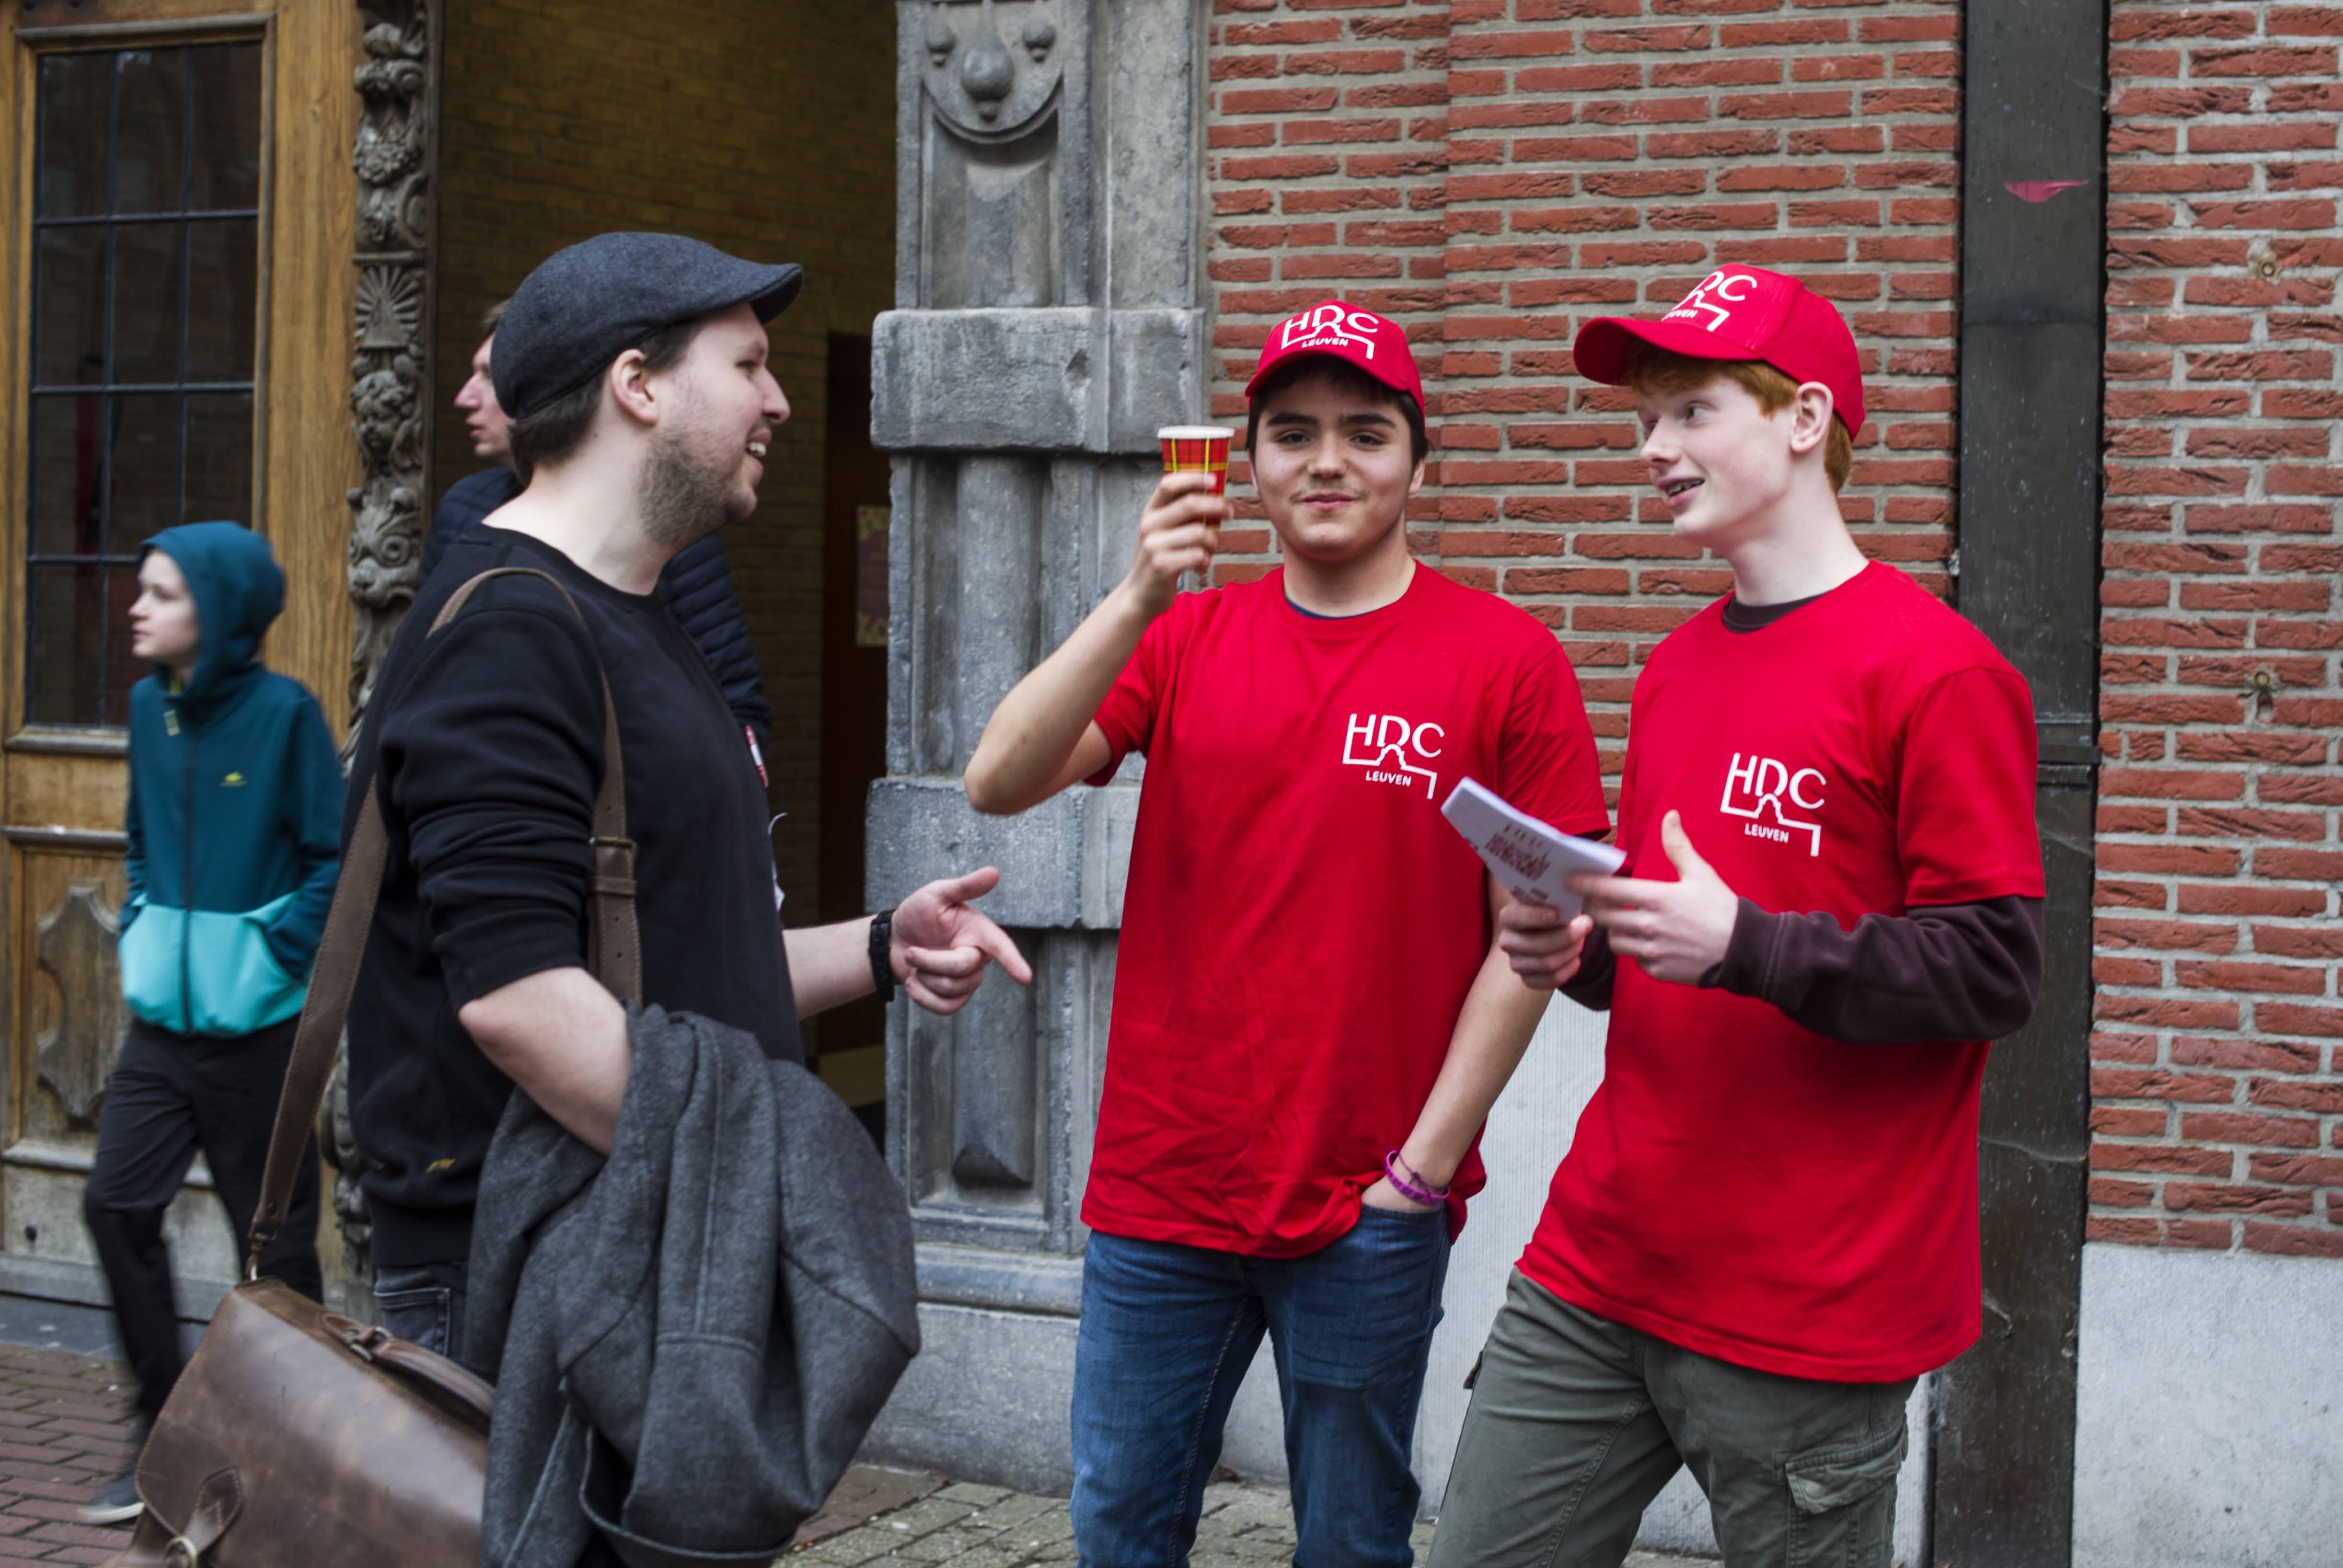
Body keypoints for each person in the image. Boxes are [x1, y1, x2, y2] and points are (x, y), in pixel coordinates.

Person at [964, 301, 1611, 1566]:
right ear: (1247, 461)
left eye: (1364, 433)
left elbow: (1528, 941)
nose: (1326, 461)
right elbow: (998, 778)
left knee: (1353, 1542)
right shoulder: (1183, 637)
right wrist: (1140, 590)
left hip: (1368, 1199)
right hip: (1164, 1190)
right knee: (1118, 1529)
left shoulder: (1506, 660)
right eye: (1291, 432)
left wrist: (1418, 1176)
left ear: (1417, 461)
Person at [1427, 266, 2045, 1568]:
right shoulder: (1675, 667)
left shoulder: (1939, 672)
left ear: (1806, 419)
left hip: (1811, 1305)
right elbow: (1664, 944)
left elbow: (1995, 969)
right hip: (1602, 1259)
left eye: (1692, 411)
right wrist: (1574, 945)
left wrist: (1749, 945)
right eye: (1646, 420)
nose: (1654, 448)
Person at [345, 232, 1031, 1361]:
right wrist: (770, 1177)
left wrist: (879, 947)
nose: (778, 401)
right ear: (639, 385)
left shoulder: (629, 615)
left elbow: (677, 962)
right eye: (747, 365)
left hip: (618, 1254)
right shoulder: (510, 631)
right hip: (530, 1280)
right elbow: (520, 1000)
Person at [79, 523, 337, 1524]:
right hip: (161, 1034)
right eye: (140, 588)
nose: (137, 607)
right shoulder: (149, 708)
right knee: (115, 1205)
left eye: (162, 593)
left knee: (274, 1257)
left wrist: (270, 955)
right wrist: (145, 917)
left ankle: (302, 1452)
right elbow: (142, 837)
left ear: (220, 612)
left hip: (258, 1036)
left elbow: (331, 858)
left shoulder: (285, 715)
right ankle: (161, 1424)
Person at [422, 296, 776, 749]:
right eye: (746, 367)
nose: (464, 397)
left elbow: (735, 702)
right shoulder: (466, 513)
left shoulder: (677, 531)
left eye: (491, 376)